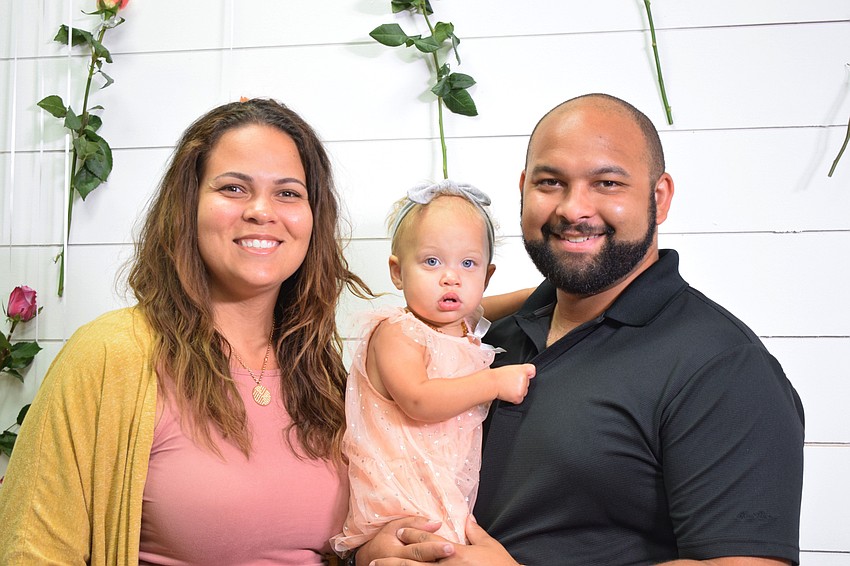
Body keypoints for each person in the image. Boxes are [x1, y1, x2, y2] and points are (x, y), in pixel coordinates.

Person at [358, 93, 805, 566]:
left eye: (607, 182)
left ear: (659, 197)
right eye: (551, 182)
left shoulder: (721, 365)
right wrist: (377, 548)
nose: (574, 209)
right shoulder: (478, 338)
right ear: (524, 189)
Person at [0, 98, 372, 565]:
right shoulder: (108, 355)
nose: (261, 210)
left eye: (288, 193)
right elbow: (33, 551)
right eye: (234, 188)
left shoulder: (321, 371)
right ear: (188, 205)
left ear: (314, 218)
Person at [330, 181, 536, 554]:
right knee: (429, 549)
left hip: (443, 480)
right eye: (431, 261)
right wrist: (494, 381)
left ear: (486, 277)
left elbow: (496, 305)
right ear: (397, 271)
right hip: (401, 488)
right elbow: (419, 400)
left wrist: (544, 292)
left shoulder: (461, 323)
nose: (450, 277)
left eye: (468, 264)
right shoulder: (398, 332)